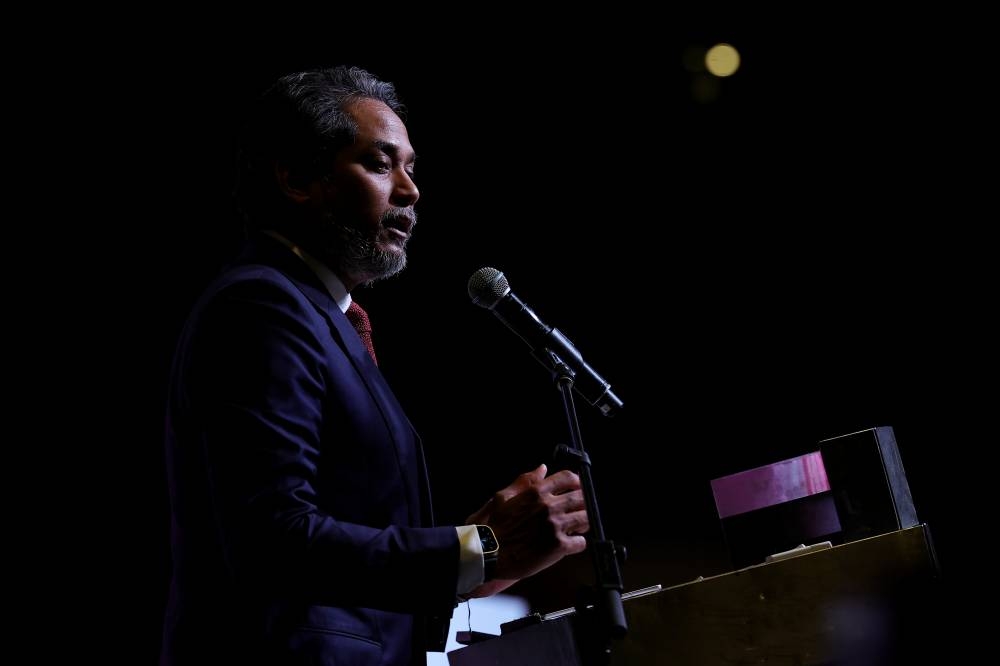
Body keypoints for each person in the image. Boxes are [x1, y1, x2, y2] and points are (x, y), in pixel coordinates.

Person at [160, 65, 590, 666]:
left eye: (412, 167)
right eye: (381, 163)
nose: (411, 190)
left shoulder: (319, 312)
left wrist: (483, 566)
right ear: (297, 178)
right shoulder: (261, 305)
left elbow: (335, 571)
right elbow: (272, 542)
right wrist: (479, 548)